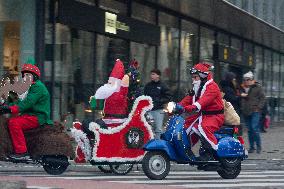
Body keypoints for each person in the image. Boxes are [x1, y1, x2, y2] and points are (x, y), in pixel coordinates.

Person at [0, 57, 53, 160]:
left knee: (13, 123)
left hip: (38, 116)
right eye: (24, 75)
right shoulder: (29, 87)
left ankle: (22, 152)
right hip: (30, 115)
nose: (25, 77)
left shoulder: (37, 87)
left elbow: (27, 103)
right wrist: (6, 105)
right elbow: (20, 102)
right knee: (9, 122)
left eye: (28, 75)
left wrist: (9, 109)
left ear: (34, 76)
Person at [178, 62, 224, 161]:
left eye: (195, 77)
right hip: (203, 115)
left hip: (215, 116)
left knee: (203, 127)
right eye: (192, 77)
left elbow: (203, 102)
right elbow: (188, 99)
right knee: (187, 127)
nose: (193, 80)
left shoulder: (212, 87)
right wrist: (177, 106)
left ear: (202, 77)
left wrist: (189, 108)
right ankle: (186, 149)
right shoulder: (198, 87)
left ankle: (210, 153)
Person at [84, 59, 129, 132]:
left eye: (112, 82)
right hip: (105, 120)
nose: (110, 83)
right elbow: (97, 106)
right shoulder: (107, 93)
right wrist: (93, 101)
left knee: (99, 124)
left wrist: (125, 75)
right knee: (88, 123)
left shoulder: (121, 91)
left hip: (117, 122)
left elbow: (125, 81)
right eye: (109, 82)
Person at [240, 71, 265, 154]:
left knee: (254, 128)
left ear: (252, 79)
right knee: (250, 130)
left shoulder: (257, 87)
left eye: (248, 79)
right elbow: (239, 97)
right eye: (245, 79)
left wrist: (259, 107)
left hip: (255, 111)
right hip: (246, 112)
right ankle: (252, 147)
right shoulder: (242, 87)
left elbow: (262, 98)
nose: (247, 81)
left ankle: (259, 146)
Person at [144, 69, 172, 139]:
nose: (151, 76)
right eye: (151, 74)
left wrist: (159, 101)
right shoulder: (148, 85)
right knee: (148, 127)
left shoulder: (163, 86)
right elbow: (144, 96)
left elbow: (168, 96)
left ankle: (158, 143)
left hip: (159, 110)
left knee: (158, 128)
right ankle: (149, 143)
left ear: (158, 75)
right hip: (149, 110)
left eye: (153, 74)